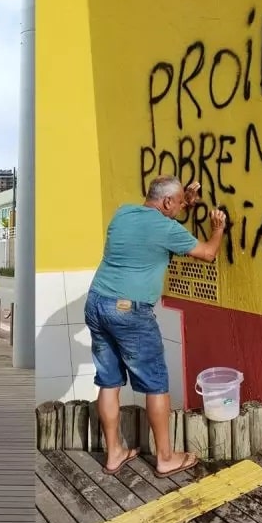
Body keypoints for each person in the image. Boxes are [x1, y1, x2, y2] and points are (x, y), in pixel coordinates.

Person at [84, 175, 226, 478]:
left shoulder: (123, 213)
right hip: (129, 311)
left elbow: (155, 226)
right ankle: (165, 458)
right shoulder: (166, 228)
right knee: (155, 383)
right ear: (167, 202)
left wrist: (185, 203)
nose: (182, 207)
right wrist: (217, 228)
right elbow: (208, 253)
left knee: (108, 382)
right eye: (179, 203)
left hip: (96, 302)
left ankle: (114, 454)